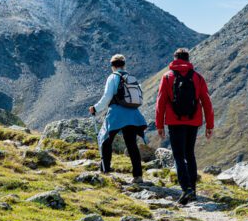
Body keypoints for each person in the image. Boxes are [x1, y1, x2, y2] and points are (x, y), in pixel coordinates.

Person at [155, 48, 214, 204]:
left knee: (179, 156)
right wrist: (210, 125)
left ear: (175, 59)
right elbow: (206, 102)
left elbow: (160, 102)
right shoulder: (197, 77)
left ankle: (186, 189)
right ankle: (192, 190)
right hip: (193, 121)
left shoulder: (167, 77)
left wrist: (159, 125)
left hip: (174, 122)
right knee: (190, 154)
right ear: (188, 60)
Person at [89, 54, 147, 183]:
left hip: (116, 113)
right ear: (124, 64)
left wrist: (95, 108)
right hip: (133, 114)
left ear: (112, 66)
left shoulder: (113, 77)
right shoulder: (132, 78)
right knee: (131, 144)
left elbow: (107, 97)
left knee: (105, 140)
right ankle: (138, 176)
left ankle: (105, 171)